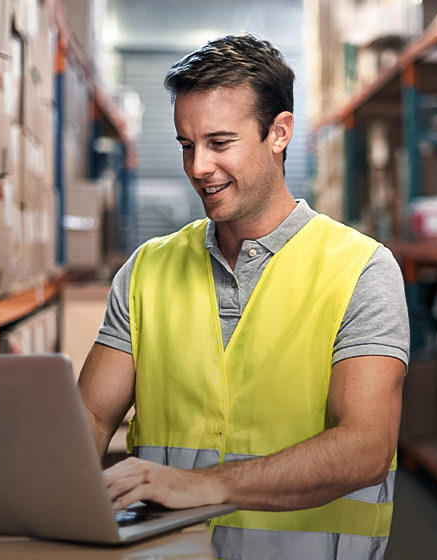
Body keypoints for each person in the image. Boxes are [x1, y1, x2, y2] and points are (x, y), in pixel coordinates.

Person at [78, 33, 409, 560]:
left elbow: (366, 447)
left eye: (219, 143)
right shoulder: (147, 270)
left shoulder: (361, 270)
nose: (197, 167)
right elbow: (92, 417)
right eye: (187, 145)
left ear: (278, 133)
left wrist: (207, 485)